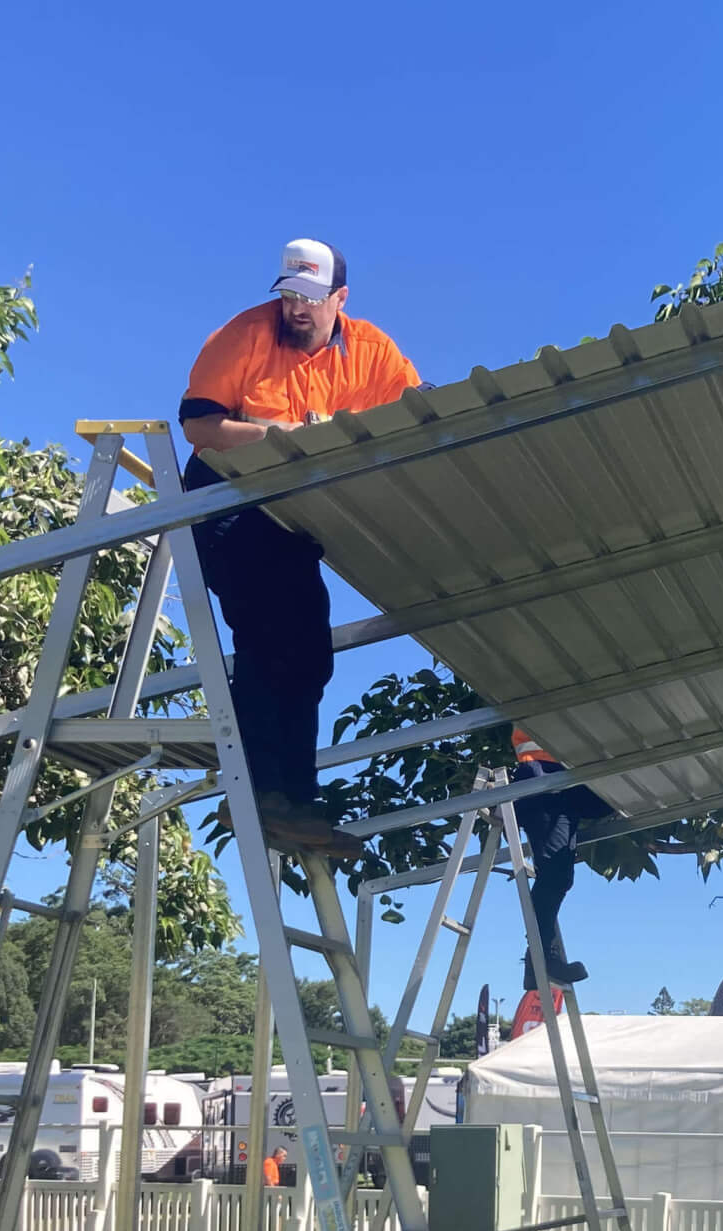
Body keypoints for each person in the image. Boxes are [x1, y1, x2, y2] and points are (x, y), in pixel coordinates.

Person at [179, 239, 421, 857]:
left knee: (310, 650)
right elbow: (200, 427)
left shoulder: (372, 351)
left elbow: (418, 413)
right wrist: (276, 433)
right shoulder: (242, 335)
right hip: (227, 503)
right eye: (289, 296)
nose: (297, 310)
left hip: (292, 516)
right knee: (267, 638)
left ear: (340, 298)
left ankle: (296, 802)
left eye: (311, 299)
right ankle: (262, 797)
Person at [509, 727, 611, 988]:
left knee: (559, 875)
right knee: (555, 875)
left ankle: (539, 959)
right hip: (543, 781)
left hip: (566, 784)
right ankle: (539, 958)